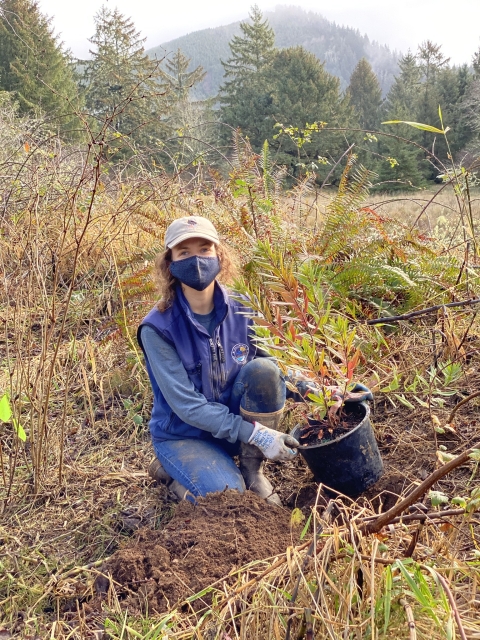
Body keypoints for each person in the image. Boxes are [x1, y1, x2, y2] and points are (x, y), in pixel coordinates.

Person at [138, 216, 371, 505]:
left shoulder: (243, 308)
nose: (196, 260)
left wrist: (327, 393)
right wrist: (259, 435)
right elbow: (188, 406)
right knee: (228, 497)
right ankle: (175, 476)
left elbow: (279, 368)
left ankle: (252, 471)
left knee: (264, 370)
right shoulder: (158, 328)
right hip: (185, 436)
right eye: (184, 252)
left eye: (204, 249)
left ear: (219, 255)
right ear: (170, 262)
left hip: (233, 427)